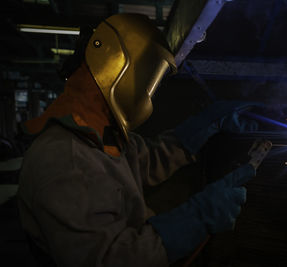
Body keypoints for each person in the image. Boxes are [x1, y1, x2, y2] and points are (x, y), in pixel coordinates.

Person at [17, 13, 258, 266]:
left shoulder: (98, 133)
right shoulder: (65, 159)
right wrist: (196, 219)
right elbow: (111, 260)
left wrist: (203, 127)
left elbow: (146, 160)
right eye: (148, 76)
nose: (149, 90)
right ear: (118, 67)